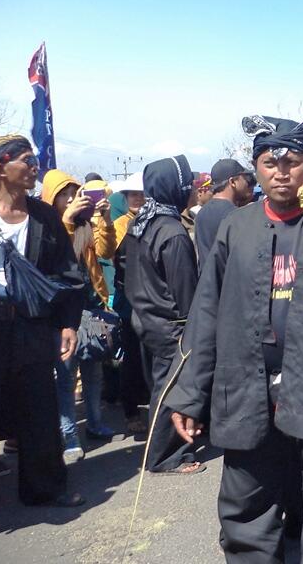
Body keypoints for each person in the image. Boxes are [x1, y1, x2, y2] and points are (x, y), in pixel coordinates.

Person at [165, 114, 303, 563]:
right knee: (246, 506)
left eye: (293, 161)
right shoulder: (237, 226)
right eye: (270, 161)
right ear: (256, 167)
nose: (281, 171)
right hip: (247, 387)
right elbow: (206, 312)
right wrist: (189, 393)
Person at [0, 134, 85, 527]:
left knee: (39, 407)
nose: (35, 166)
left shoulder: (44, 216)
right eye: (25, 160)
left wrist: (68, 322)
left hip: (32, 325)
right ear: (1, 167)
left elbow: (67, 271)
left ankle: (44, 487)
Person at [123, 155, 203, 475]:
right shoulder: (171, 232)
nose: (193, 189)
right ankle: (164, 456)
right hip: (170, 323)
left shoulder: (141, 221)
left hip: (146, 316)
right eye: (188, 184)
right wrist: (194, 327)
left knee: (161, 384)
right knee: (172, 389)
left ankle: (164, 449)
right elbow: (186, 291)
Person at [41, 170, 123, 462]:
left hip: (91, 305)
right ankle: (69, 436)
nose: (70, 199)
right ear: (52, 198)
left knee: (93, 371)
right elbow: (56, 257)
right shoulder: (48, 225)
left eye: (74, 193)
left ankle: (96, 423)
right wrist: (66, 221)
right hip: (62, 312)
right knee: (65, 375)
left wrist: (106, 220)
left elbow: (105, 250)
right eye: (64, 194)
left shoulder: (85, 223)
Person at [112, 173, 149, 435]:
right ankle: (131, 411)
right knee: (131, 357)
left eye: (141, 193)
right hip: (127, 300)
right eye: (132, 194)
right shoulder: (118, 225)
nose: (137, 198)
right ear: (125, 198)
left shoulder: (153, 221)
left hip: (150, 300)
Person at [194, 158, 254, 266]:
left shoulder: (201, 214)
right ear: (233, 182)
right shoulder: (235, 215)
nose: (247, 183)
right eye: (244, 179)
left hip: (206, 280)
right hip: (228, 281)